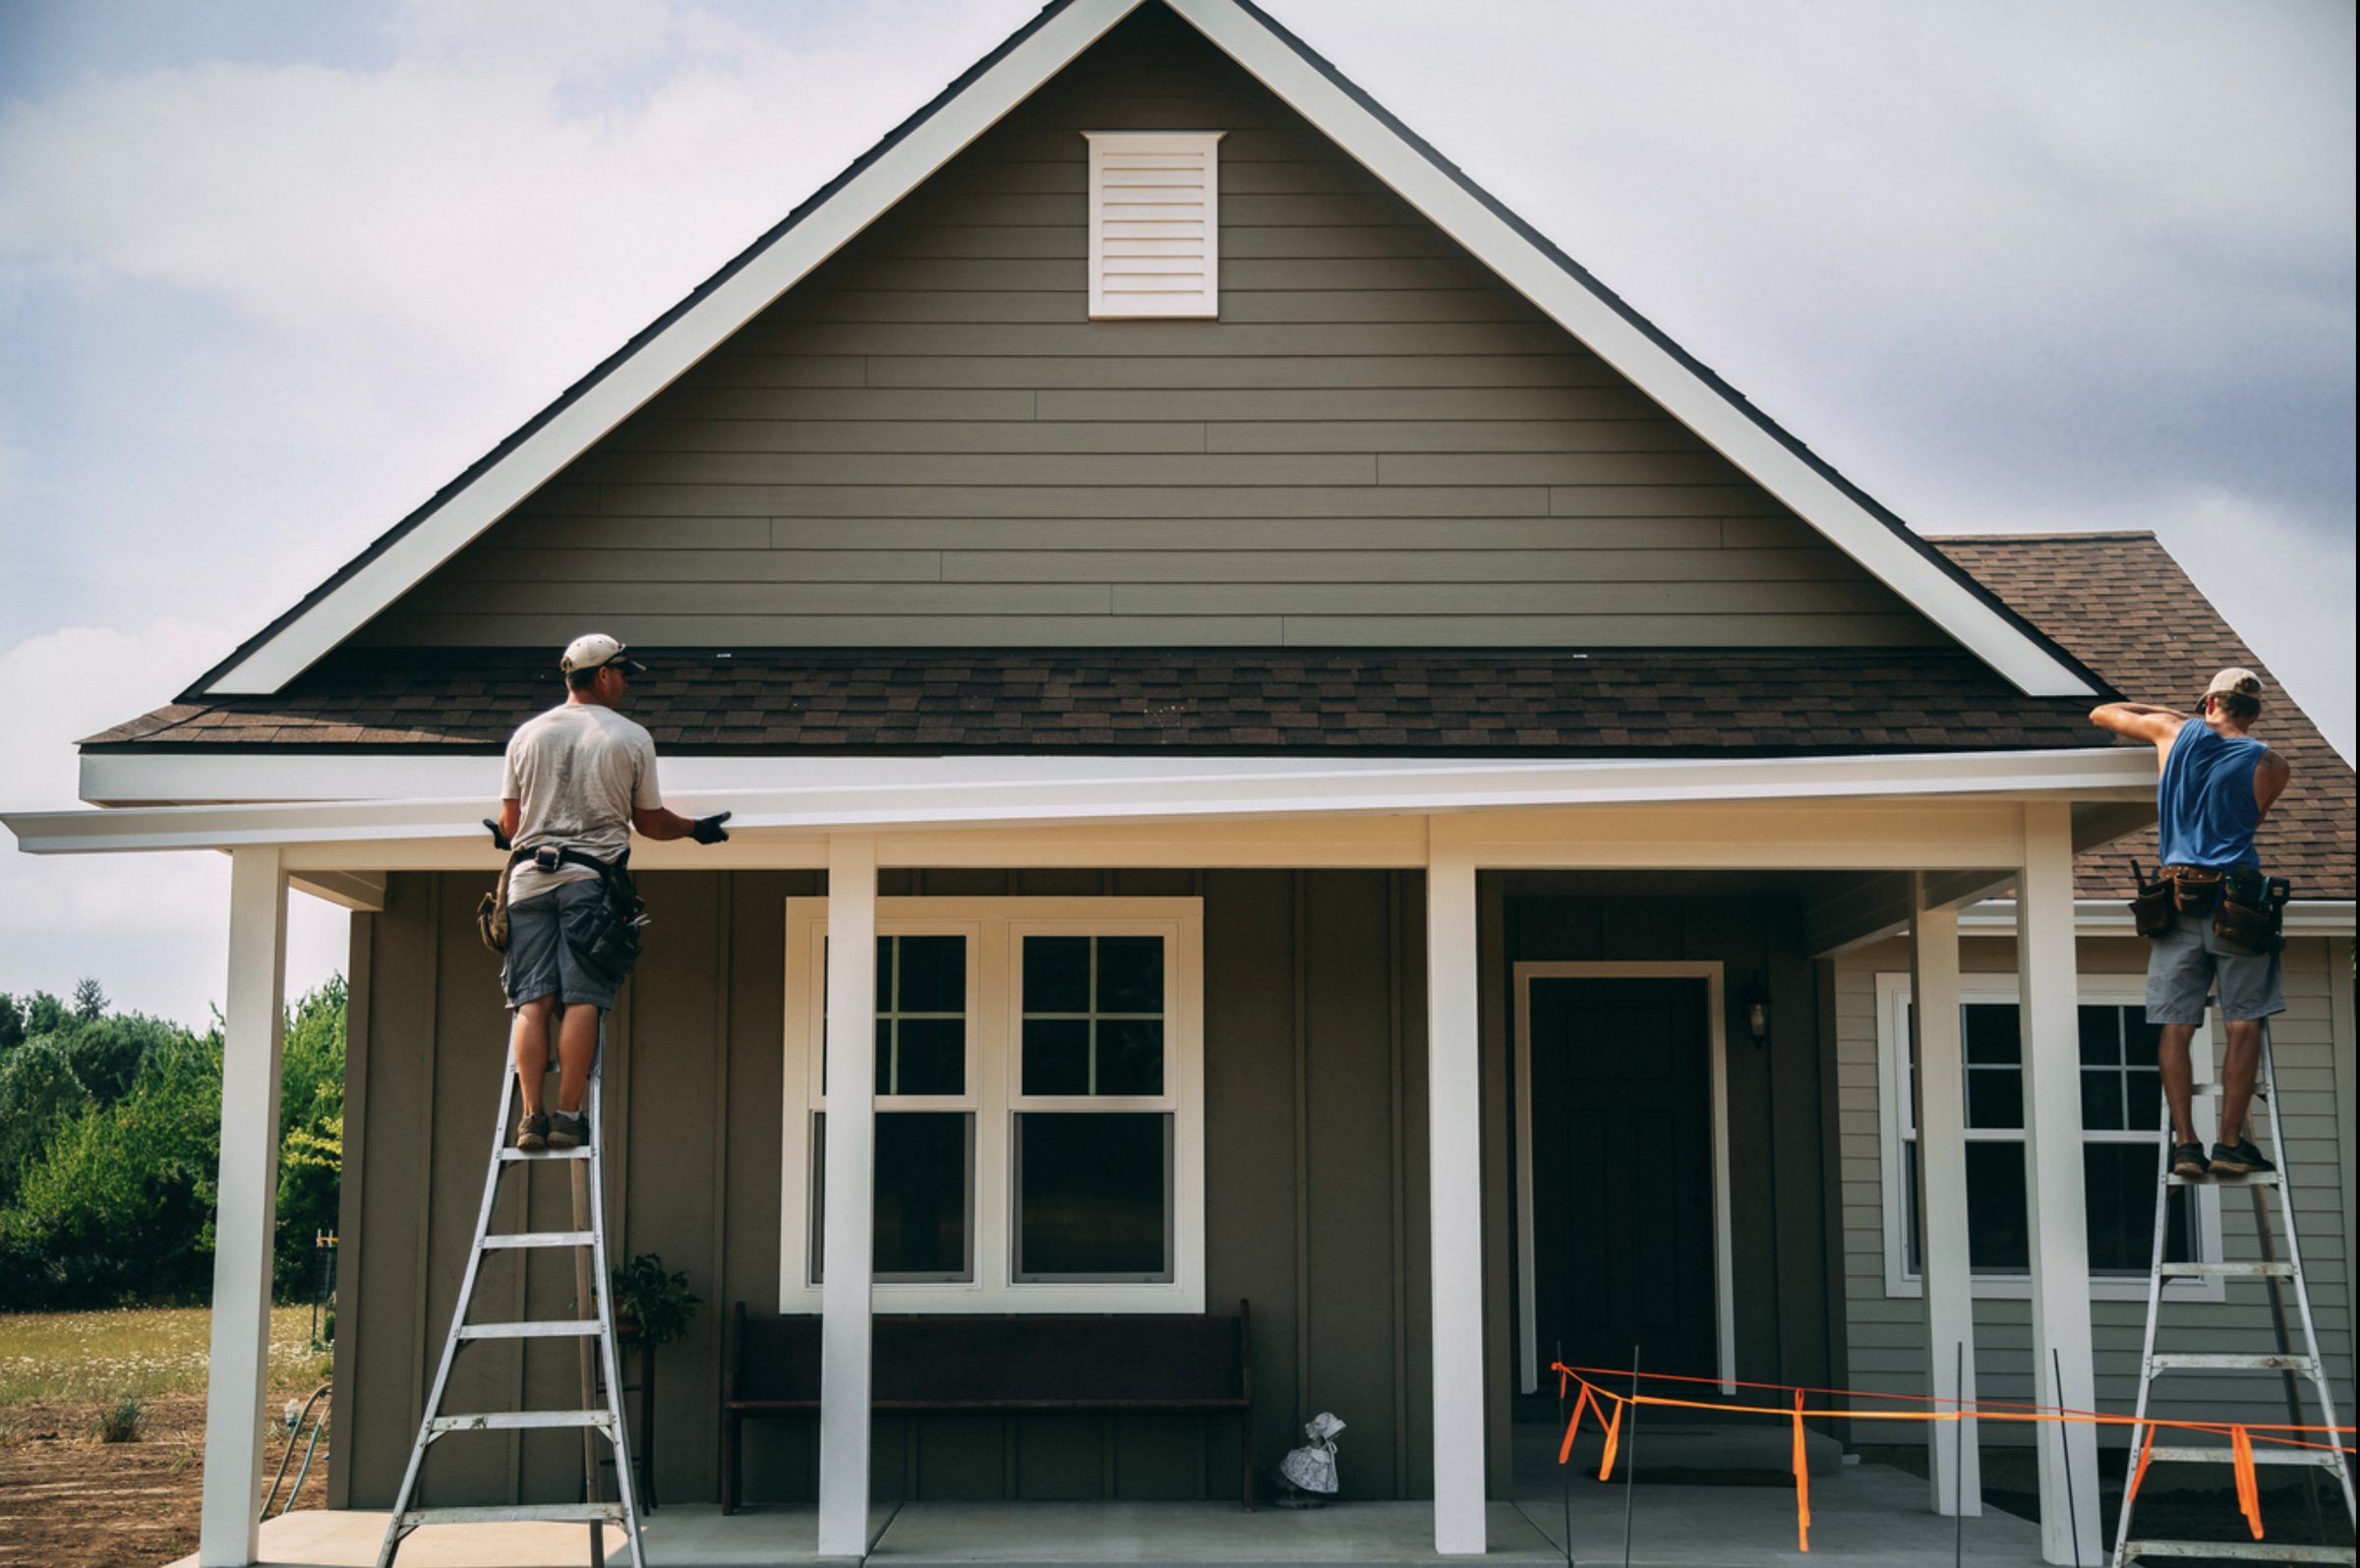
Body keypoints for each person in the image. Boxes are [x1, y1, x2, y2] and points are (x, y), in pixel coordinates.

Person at [493, 634, 731, 1149]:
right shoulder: (629, 738)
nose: (625, 683)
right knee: (582, 997)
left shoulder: (527, 736)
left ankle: (530, 1117)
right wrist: (697, 829)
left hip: (527, 881)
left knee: (532, 1001)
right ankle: (566, 1116)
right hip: (589, 883)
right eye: (623, 673)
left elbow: (510, 825)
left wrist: (509, 833)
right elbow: (650, 822)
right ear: (602, 675)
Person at [2090, 668, 2292, 1181]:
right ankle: (2229, 1143)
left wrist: (2178, 715)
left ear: (2208, 702)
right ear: (2256, 713)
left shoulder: (2172, 732)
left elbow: (2102, 713)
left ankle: (2186, 1144)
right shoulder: (2272, 763)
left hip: (2177, 899)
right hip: (2238, 903)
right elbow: (2254, 818)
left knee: (2176, 1025)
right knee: (2243, 1021)